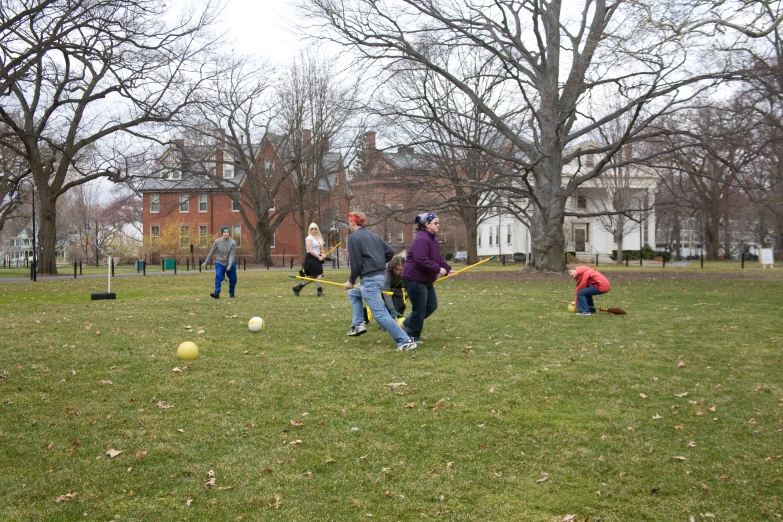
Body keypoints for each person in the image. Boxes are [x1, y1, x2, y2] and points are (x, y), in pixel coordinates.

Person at [343, 211, 417, 352]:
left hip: (370, 279)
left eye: (349, 221)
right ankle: (358, 324)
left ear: (352, 222)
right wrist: (378, 262)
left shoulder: (353, 238)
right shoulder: (374, 236)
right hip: (378, 276)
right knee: (354, 294)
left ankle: (405, 341)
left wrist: (351, 280)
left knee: (380, 314)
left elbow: (356, 263)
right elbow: (389, 251)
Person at [401, 212, 455, 344]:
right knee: (419, 309)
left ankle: (407, 324)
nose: (438, 225)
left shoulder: (433, 240)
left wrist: (447, 269)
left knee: (431, 305)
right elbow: (421, 260)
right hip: (413, 279)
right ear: (426, 224)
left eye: (438, 223)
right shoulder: (422, 239)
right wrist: (437, 269)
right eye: (436, 223)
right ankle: (412, 336)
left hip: (425, 280)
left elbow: (438, 258)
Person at [202, 226, 237, 299]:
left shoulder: (233, 243)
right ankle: (217, 293)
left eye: (227, 232)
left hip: (230, 263)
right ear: (222, 233)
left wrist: (230, 265)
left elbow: (232, 255)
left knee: (233, 279)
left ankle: (232, 293)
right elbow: (212, 251)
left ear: (229, 233)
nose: (226, 233)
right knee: (218, 276)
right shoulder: (217, 241)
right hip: (220, 262)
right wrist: (206, 261)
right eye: (224, 232)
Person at [292, 223, 326, 297]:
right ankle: (319, 292)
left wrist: (323, 254)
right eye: (312, 229)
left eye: (315, 229)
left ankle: (298, 288)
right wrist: (318, 257)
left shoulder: (319, 238)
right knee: (316, 276)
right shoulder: (308, 238)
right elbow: (310, 250)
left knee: (317, 276)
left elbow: (321, 249)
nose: (313, 230)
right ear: (309, 230)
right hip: (311, 258)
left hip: (318, 259)